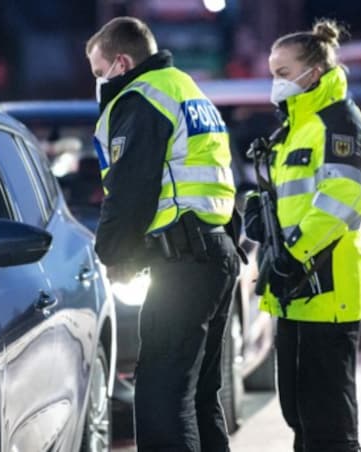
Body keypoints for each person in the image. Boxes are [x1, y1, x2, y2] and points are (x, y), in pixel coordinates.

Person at [86, 16, 243, 451]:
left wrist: (114, 255)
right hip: (216, 252)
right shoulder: (187, 89)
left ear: (121, 62)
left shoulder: (139, 98)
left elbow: (131, 188)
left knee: (160, 398)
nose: (99, 83)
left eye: (100, 73)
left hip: (183, 262)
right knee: (198, 394)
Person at [242, 19, 361, 452]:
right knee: (299, 414)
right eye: (272, 72)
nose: (275, 82)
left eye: (283, 72)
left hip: (327, 285)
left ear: (312, 72)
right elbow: (297, 198)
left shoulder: (339, 123)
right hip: (296, 288)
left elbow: (341, 199)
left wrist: (293, 255)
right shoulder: (297, 124)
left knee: (329, 425)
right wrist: (265, 217)